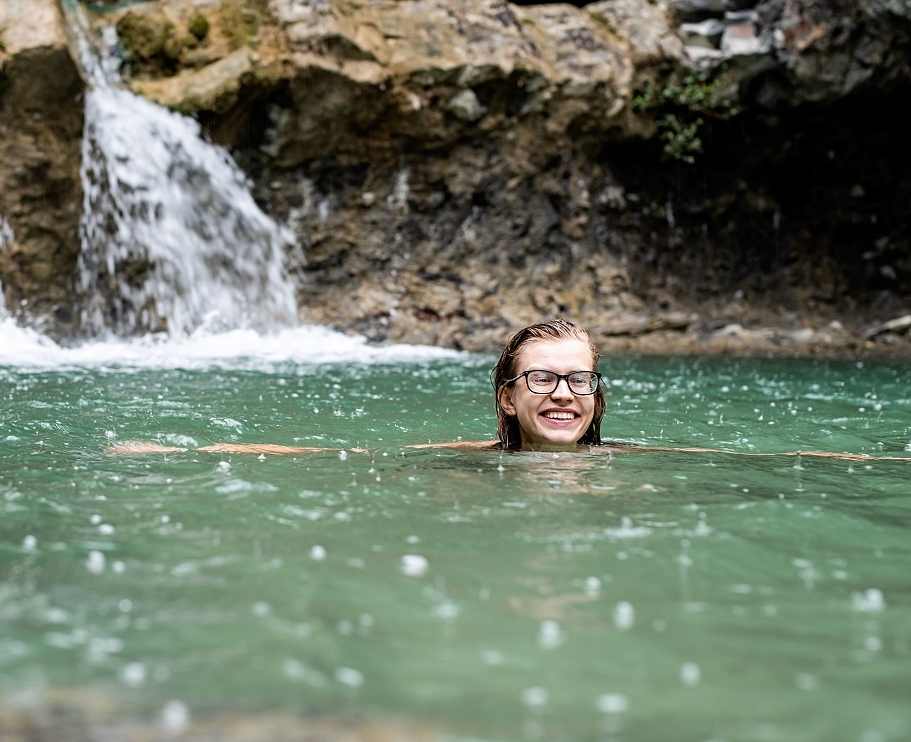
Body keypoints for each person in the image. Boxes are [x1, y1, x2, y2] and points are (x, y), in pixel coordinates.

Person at [107, 318, 908, 461]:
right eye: (543, 378)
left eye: (579, 378)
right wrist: (188, 450)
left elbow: (793, 460)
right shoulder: (472, 459)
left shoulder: (630, 459)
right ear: (506, 396)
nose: (564, 393)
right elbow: (331, 452)